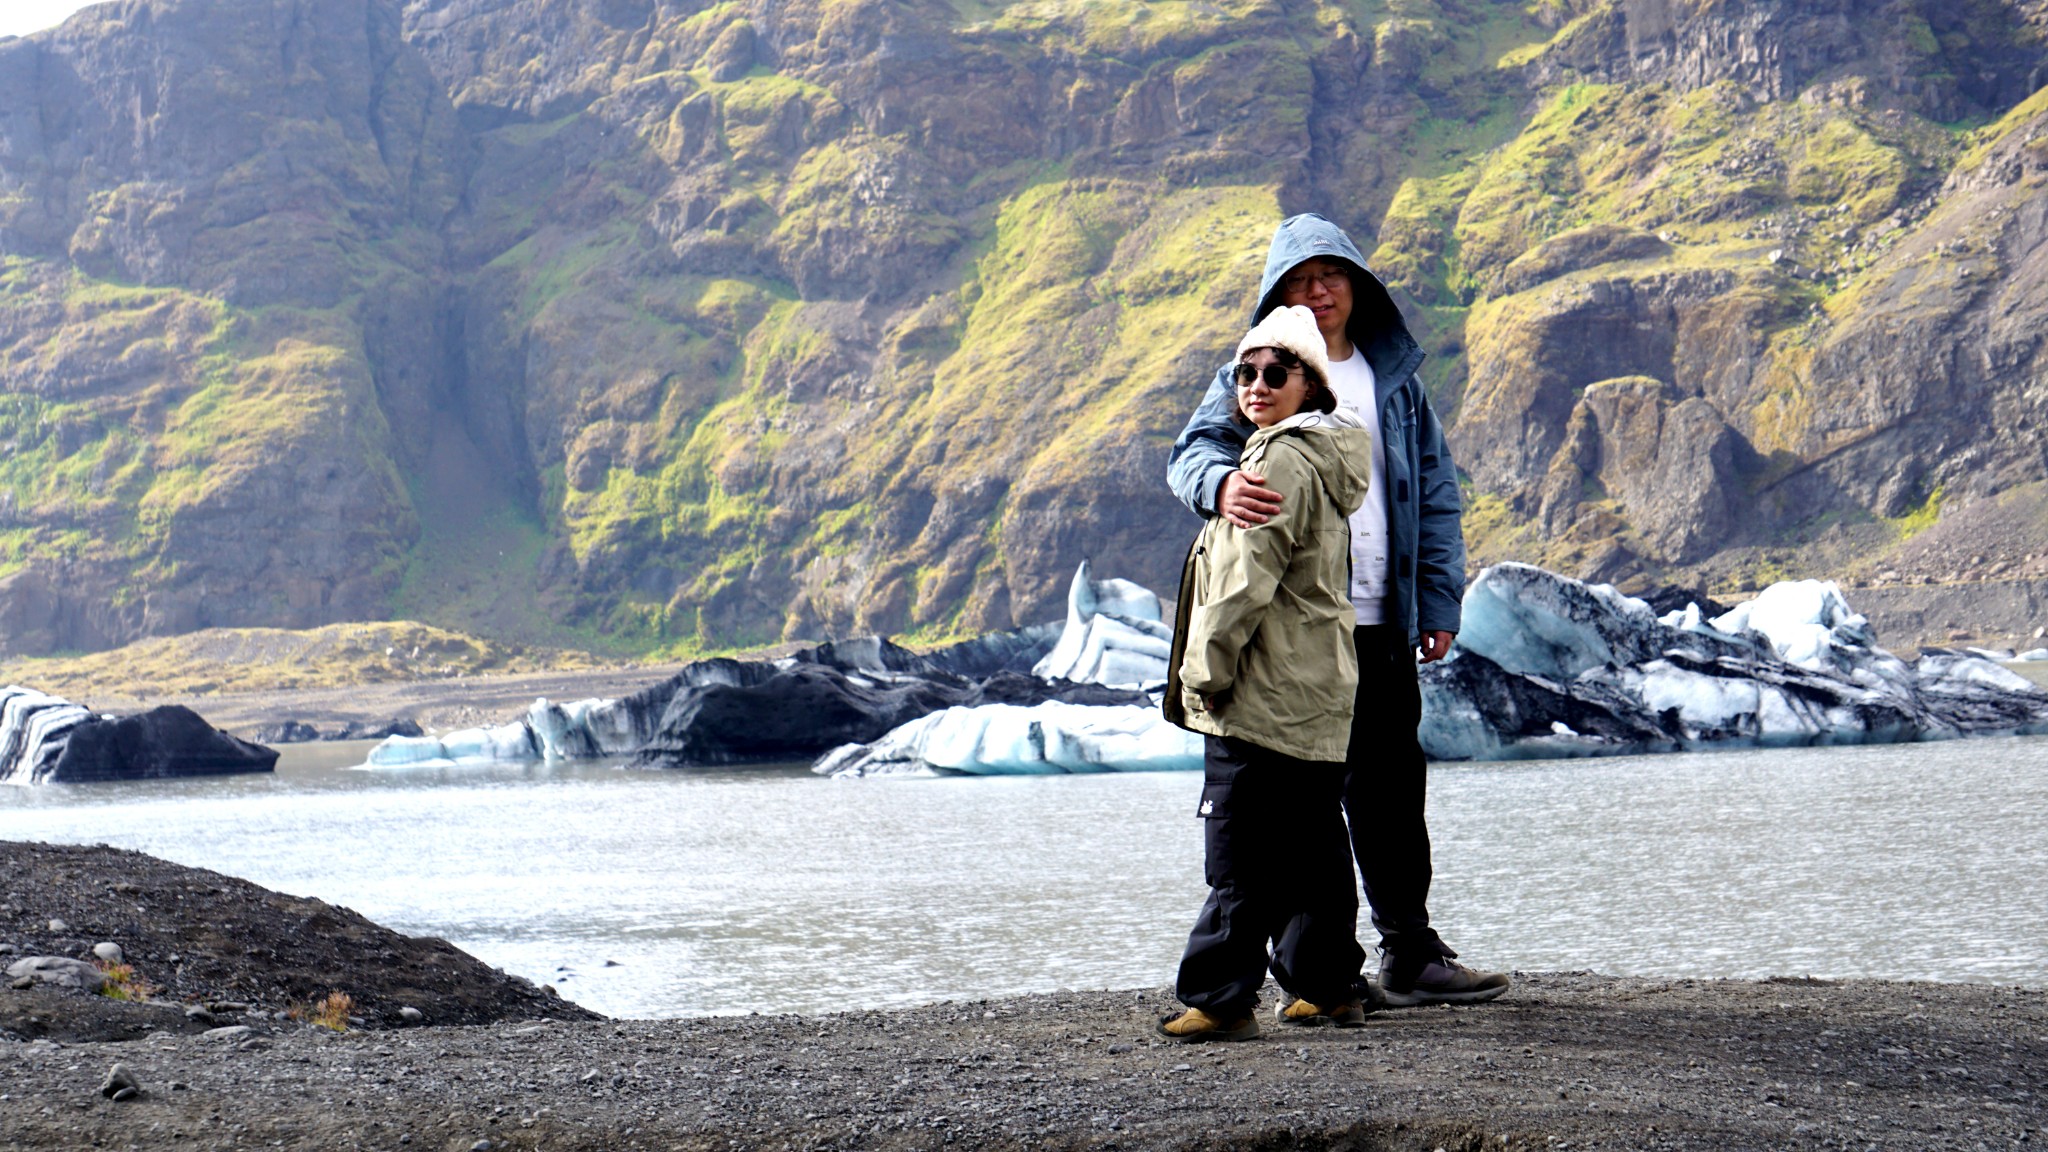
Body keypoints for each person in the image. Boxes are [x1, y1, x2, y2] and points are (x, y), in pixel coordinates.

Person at [1168, 212, 1510, 1008]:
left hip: (1383, 618)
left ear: (1358, 285)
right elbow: (1192, 452)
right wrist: (1218, 484)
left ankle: (1410, 954)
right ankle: (1321, 974)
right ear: (1275, 295)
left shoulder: (1395, 381)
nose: (1316, 292)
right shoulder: (1258, 369)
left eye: (1330, 276)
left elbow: (1434, 493)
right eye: (1297, 282)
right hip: (1293, 633)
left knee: (1391, 794)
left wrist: (1436, 596)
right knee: (1300, 807)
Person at [1157, 304, 1374, 1043]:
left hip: (1262, 690)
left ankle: (1219, 999)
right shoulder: (1325, 454)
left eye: (1275, 372)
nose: (1255, 384)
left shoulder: (1276, 458)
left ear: (1310, 385)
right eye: (1246, 372)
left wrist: (1204, 672)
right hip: (1316, 691)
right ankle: (1331, 986)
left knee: (1239, 847)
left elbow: (1245, 582)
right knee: (1314, 847)